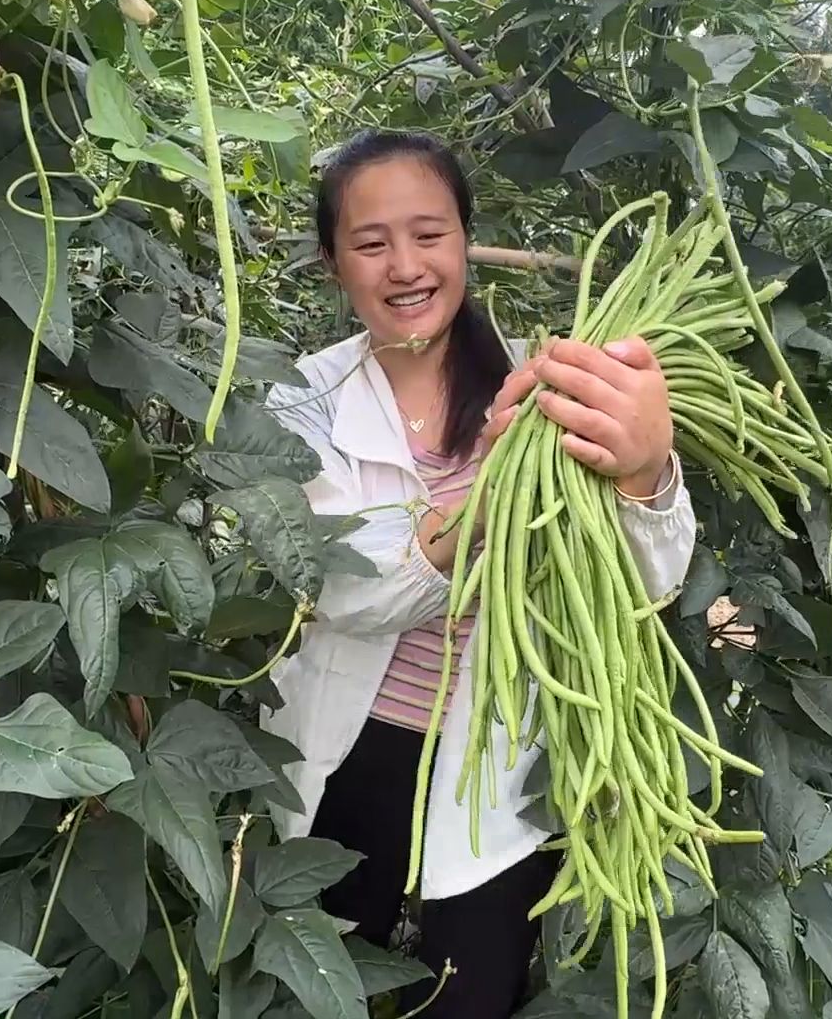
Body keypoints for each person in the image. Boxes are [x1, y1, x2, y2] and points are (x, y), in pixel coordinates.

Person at [260, 130, 697, 1017]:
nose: (405, 265)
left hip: (495, 754)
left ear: (465, 241)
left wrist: (647, 470)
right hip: (353, 755)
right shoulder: (299, 404)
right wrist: (487, 500)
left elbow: (645, 588)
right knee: (322, 988)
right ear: (334, 262)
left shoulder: (554, 384)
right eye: (371, 242)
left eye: (430, 234)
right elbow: (340, 593)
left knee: (473, 994)